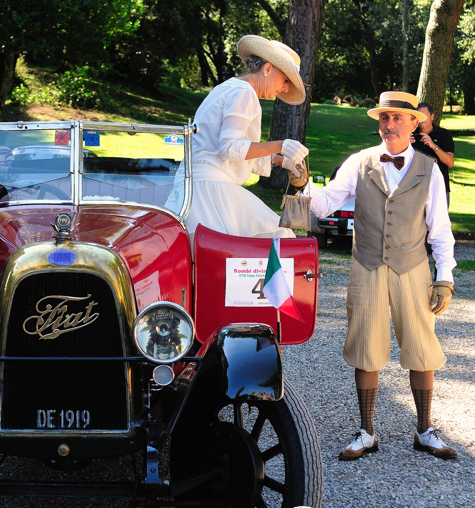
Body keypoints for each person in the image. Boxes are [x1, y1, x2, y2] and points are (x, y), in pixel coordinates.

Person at [296, 91, 458, 460]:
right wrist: (304, 182)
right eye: (384, 119)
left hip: (412, 268)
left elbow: (440, 231)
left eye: (397, 118)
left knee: (421, 348)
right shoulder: (359, 162)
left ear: (415, 123)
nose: (389, 125)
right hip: (366, 266)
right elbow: (324, 205)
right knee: (366, 349)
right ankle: (367, 432)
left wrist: (444, 278)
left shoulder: (429, 169)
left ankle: (425, 430)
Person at [183, 35, 309, 239]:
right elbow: (230, 148)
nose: (285, 88)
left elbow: (232, 150)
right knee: (281, 237)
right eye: (286, 80)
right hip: (211, 192)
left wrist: (281, 161)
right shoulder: (244, 92)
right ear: (267, 69)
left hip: (195, 188)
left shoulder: (225, 88)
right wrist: (281, 145)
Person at [412, 102, 454, 207]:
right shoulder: (410, 136)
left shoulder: (443, 134)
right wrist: (404, 145)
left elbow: (450, 162)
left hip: (439, 188)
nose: (422, 119)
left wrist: (434, 146)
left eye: (425, 115)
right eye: (419, 116)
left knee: (439, 223)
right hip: (415, 188)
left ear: (432, 116)